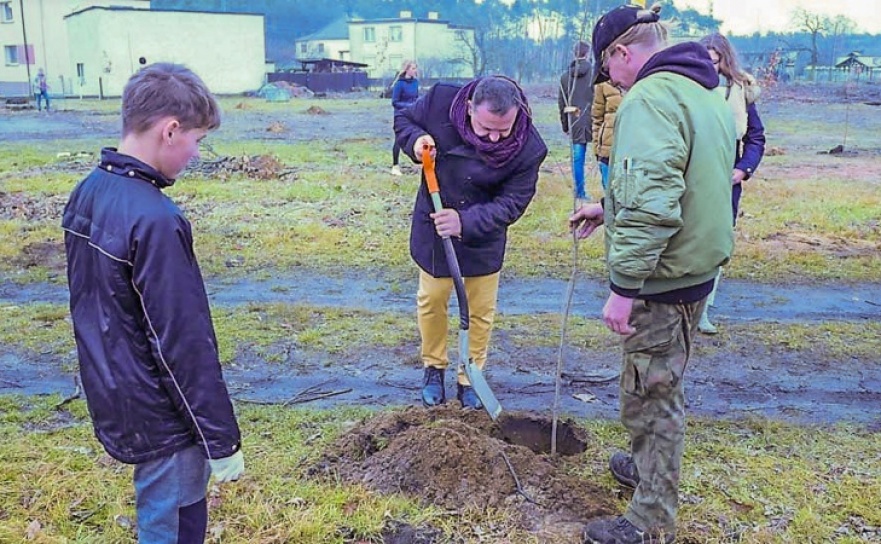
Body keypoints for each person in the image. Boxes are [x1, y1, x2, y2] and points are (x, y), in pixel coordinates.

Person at [569, 4, 734, 543]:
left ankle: (649, 519)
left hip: (663, 278)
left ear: (621, 53)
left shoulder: (649, 98)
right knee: (652, 384)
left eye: (607, 69)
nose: (610, 81)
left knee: (652, 394)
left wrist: (623, 289)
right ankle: (646, 471)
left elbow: (653, 204)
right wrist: (607, 207)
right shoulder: (701, 90)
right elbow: (680, 179)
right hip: (693, 266)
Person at [62, 63, 244, 544]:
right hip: (165, 417)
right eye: (197, 140)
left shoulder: (89, 192)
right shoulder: (156, 220)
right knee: (175, 526)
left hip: (118, 393)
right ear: (170, 130)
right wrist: (220, 439)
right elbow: (182, 343)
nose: (196, 153)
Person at [395, 76, 547, 409]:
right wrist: (416, 141)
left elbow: (512, 203)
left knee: (480, 310)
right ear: (469, 109)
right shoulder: (440, 101)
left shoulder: (530, 148)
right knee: (432, 299)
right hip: (436, 223)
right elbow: (403, 120)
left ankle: (470, 376)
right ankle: (433, 367)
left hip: (484, 234)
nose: (494, 138)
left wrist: (464, 222)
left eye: (503, 131)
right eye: (486, 128)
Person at [697, 33, 767, 334]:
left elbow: (755, 137)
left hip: (727, 180)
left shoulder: (739, 92)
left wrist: (743, 170)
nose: (710, 66)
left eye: (716, 61)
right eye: (706, 59)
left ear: (725, 61)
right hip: (692, 175)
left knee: (716, 245)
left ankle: (702, 309)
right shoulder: (686, 88)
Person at [558, 41, 594, 202]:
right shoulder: (594, 74)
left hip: (575, 121)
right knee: (604, 158)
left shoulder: (565, 77)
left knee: (578, 159)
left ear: (574, 53)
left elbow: (562, 104)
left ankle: (580, 192)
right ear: (587, 53)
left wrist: (566, 126)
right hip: (595, 120)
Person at [590, 80, 622, 192]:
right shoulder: (603, 84)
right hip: (607, 147)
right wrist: (596, 147)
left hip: (634, 149)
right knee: (609, 191)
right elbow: (597, 118)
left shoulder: (642, 81)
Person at [390, 60, 419, 176]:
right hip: (401, 115)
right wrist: (409, 106)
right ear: (407, 69)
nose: (415, 71)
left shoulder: (415, 82)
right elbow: (395, 102)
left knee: (416, 136)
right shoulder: (399, 84)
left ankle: (417, 162)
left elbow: (416, 97)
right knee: (398, 140)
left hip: (413, 113)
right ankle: (395, 166)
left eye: (415, 68)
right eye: (413, 68)